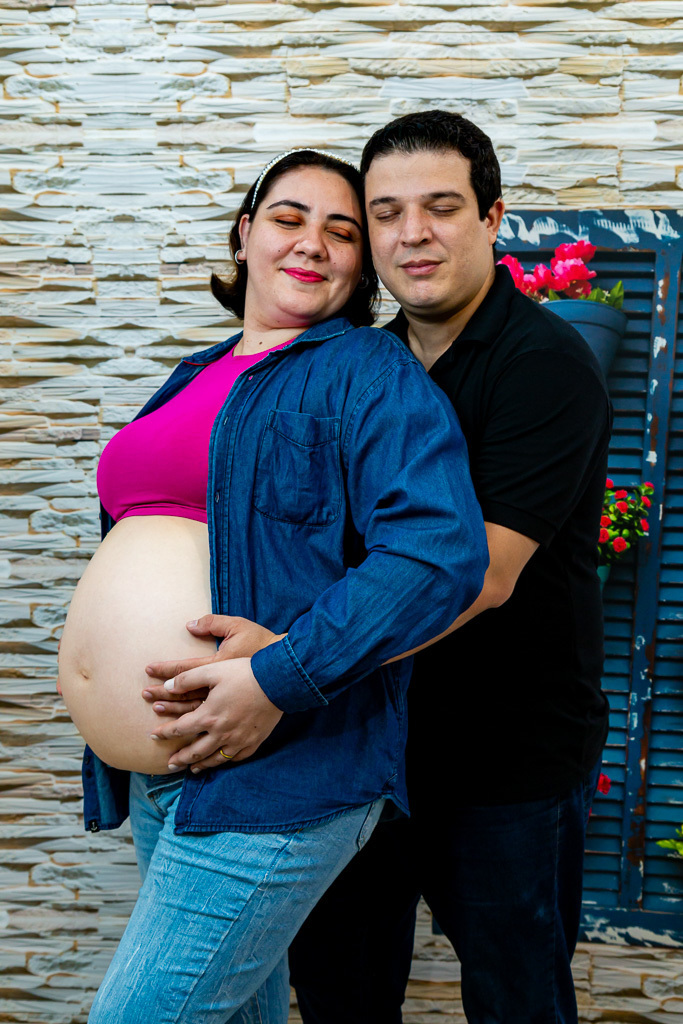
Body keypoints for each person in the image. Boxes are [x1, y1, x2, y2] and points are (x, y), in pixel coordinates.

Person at [151, 113, 612, 1023]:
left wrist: (283, 667)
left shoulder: (545, 365)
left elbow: (476, 575)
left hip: (499, 754)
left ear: (492, 218)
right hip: (354, 742)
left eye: (441, 207)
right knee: (341, 996)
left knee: (516, 999)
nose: (412, 234)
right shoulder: (358, 362)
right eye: (386, 212)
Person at [58, 147, 488, 1024]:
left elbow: (436, 554)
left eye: (341, 231)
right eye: (289, 218)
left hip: (279, 767)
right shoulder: (193, 374)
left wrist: (277, 674)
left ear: (360, 267)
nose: (312, 243)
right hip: (163, 775)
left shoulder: (366, 371)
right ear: (245, 234)